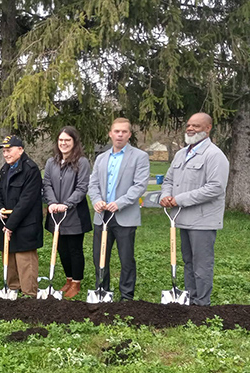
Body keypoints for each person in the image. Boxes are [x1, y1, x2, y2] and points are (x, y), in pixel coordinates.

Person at [160, 112, 229, 306]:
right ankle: (190, 296)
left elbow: (215, 188)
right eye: (189, 125)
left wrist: (179, 199)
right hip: (182, 218)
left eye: (196, 126)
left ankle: (202, 303)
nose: (190, 128)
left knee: (201, 264)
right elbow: (169, 180)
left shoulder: (214, 155)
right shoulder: (182, 154)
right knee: (188, 262)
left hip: (203, 220)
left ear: (208, 129)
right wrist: (165, 195)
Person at [88, 118, 149, 301]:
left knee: (126, 258)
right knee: (99, 257)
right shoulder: (101, 158)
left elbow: (140, 185)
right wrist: (97, 200)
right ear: (110, 133)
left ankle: (126, 296)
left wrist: (120, 203)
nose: (120, 135)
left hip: (124, 216)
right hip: (102, 215)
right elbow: (93, 184)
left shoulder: (139, 157)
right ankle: (102, 291)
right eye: (116, 131)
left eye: (124, 132)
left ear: (129, 134)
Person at [42, 127, 92, 298]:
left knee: (74, 249)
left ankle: (76, 282)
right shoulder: (51, 162)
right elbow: (47, 183)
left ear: (74, 142)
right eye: (61, 140)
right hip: (56, 213)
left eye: (67, 140)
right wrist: (52, 202)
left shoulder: (82, 162)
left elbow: (82, 187)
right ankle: (68, 279)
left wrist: (67, 204)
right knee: (61, 249)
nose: (63, 143)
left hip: (74, 214)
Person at [0, 136, 43, 297]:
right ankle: (13, 291)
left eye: (9, 150)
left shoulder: (30, 169)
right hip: (7, 221)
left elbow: (26, 202)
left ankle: (29, 295)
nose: (6, 154)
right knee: (10, 259)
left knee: (25, 261)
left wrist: (11, 225)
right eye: (4, 151)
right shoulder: (6, 169)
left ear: (20, 150)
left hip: (25, 224)